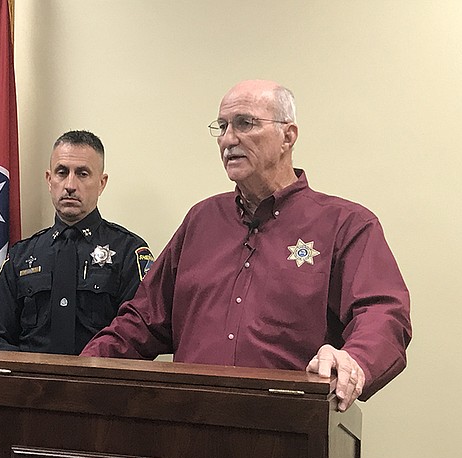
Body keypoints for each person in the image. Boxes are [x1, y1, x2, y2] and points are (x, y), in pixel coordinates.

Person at [82, 80, 411, 411]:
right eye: (222, 126)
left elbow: (384, 314)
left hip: (289, 430)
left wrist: (353, 359)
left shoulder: (345, 224)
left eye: (245, 123)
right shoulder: (201, 220)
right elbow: (143, 319)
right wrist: (80, 369)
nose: (228, 139)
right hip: (188, 425)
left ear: (288, 135)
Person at [0, 130, 154, 355]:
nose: (70, 184)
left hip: (101, 385)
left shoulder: (128, 252)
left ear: (102, 183)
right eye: (62, 172)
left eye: (82, 174)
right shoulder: (22, 256)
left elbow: (141, 332)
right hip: (29, 385)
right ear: (49, 180)